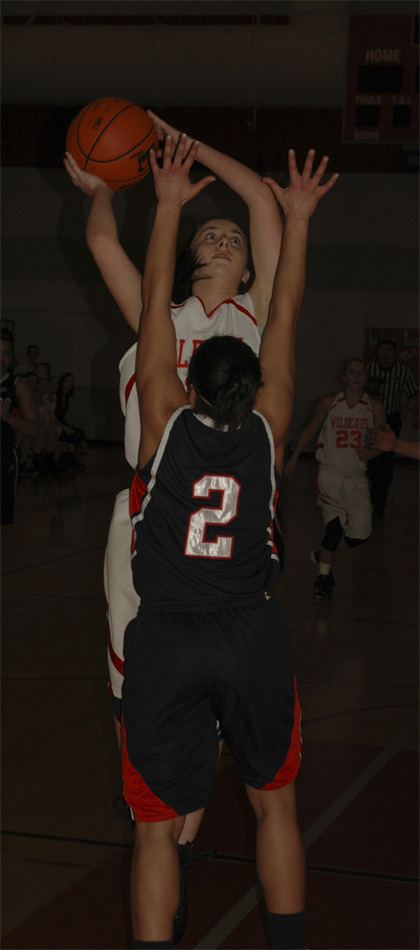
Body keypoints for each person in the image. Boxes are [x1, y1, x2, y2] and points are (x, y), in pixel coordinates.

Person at [122, 135, 337, 950]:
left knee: (155, 829)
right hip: (251, 631)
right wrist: (301, 221)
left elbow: (151, 305)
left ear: (182, 383)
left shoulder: (158, 423)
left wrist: (168, 207)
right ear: (252, 388)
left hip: (168, 635)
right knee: (273, 804)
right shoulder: (272, 433)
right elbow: (284, 307)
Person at [64, 116, 283, 872]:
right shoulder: (159, 315)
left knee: (211, 687)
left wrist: (171, 134)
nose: (223, 237)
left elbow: (260, 195)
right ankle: (162, 829)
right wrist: (102, 187)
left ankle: (175, 843)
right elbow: (100, 243)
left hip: (227, 535)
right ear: (188, 256)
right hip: (146, 523)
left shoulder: (256, 323)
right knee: (136, 687)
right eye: (209, 232)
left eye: (234, 237)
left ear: (253, 270)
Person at [285, 358, 385, 599]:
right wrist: (295, 457)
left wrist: (372, 451)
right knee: (334, 529)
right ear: (343, 377)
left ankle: (322, 554)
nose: (357, 376)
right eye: (352, 372)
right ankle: (323, 577)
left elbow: (383, 440)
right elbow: (309, 430)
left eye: (361, 372)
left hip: (356, 477)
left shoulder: (375, 407)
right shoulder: (329, 403)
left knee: (359, 535)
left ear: (365, 378)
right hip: (329, 474)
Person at [366, 338, 418, 517]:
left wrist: (404, 412)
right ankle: (370, 497)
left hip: (391, 419)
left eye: (389, 350)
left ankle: (380, 504)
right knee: (371, 461)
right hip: (370, 419)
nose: (386, 353)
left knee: (386, 463)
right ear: (377, 352)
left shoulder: (402, 372)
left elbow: (413, 393)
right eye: (382, 350)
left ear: (394, 354)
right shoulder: (368, 370)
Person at [0, 330, 40, 524]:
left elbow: (35, 429)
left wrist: (8, 418)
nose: (1, 358)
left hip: (4, 457)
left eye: (6, 353)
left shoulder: (18, 385)